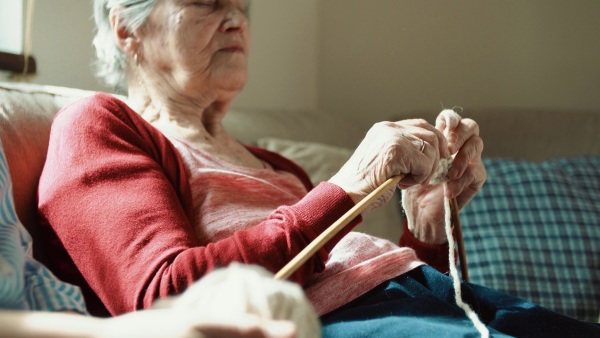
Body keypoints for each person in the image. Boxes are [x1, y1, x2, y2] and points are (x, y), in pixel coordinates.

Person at [33, 0, 600, 337]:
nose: (236, 18)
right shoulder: (98, 124)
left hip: (414, 294)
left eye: (244, 5)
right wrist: (346, 186)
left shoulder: (272, 165)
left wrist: (425, 230)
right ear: (125, 28)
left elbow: (343, 269)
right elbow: (162, 300)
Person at [0, 138, 302, 338]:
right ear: (128, 38)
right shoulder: (101, 127)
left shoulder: (276, 161)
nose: (239, 34)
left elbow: (25, 276)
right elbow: (163, 291)